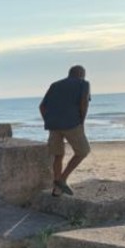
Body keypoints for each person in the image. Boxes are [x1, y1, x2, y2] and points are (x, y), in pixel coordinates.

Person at [39, 65, 91, 197]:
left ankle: (57, 189)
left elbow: (42, 106)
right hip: (72, 123)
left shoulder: (55, 85)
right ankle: (62, 179)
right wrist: (82, 121)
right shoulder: (83, 84)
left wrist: (48, 121)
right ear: (81, 74)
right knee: (83, 151)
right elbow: (84, 103)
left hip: (53, 125)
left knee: (58, 155)